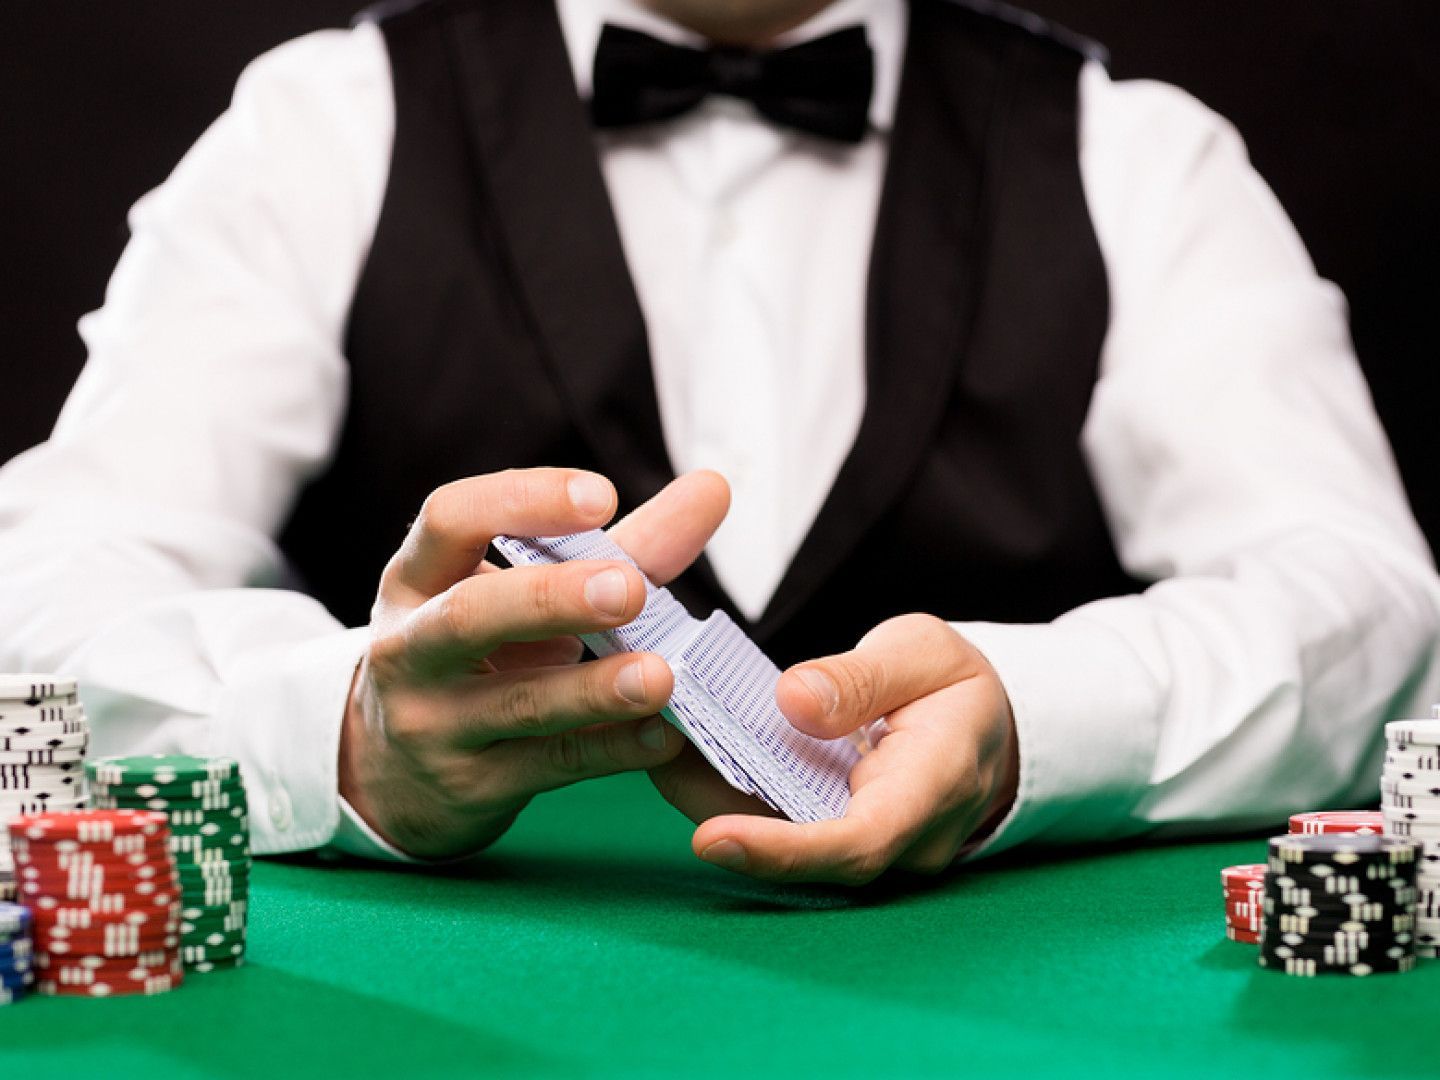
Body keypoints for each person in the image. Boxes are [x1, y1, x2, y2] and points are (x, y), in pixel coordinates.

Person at [1, 0, 1436, 885]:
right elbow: (43, 595)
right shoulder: (317, 127)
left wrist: (1042, 720)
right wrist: (335, 727)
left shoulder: (1139, 155)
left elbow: (1376, 610)